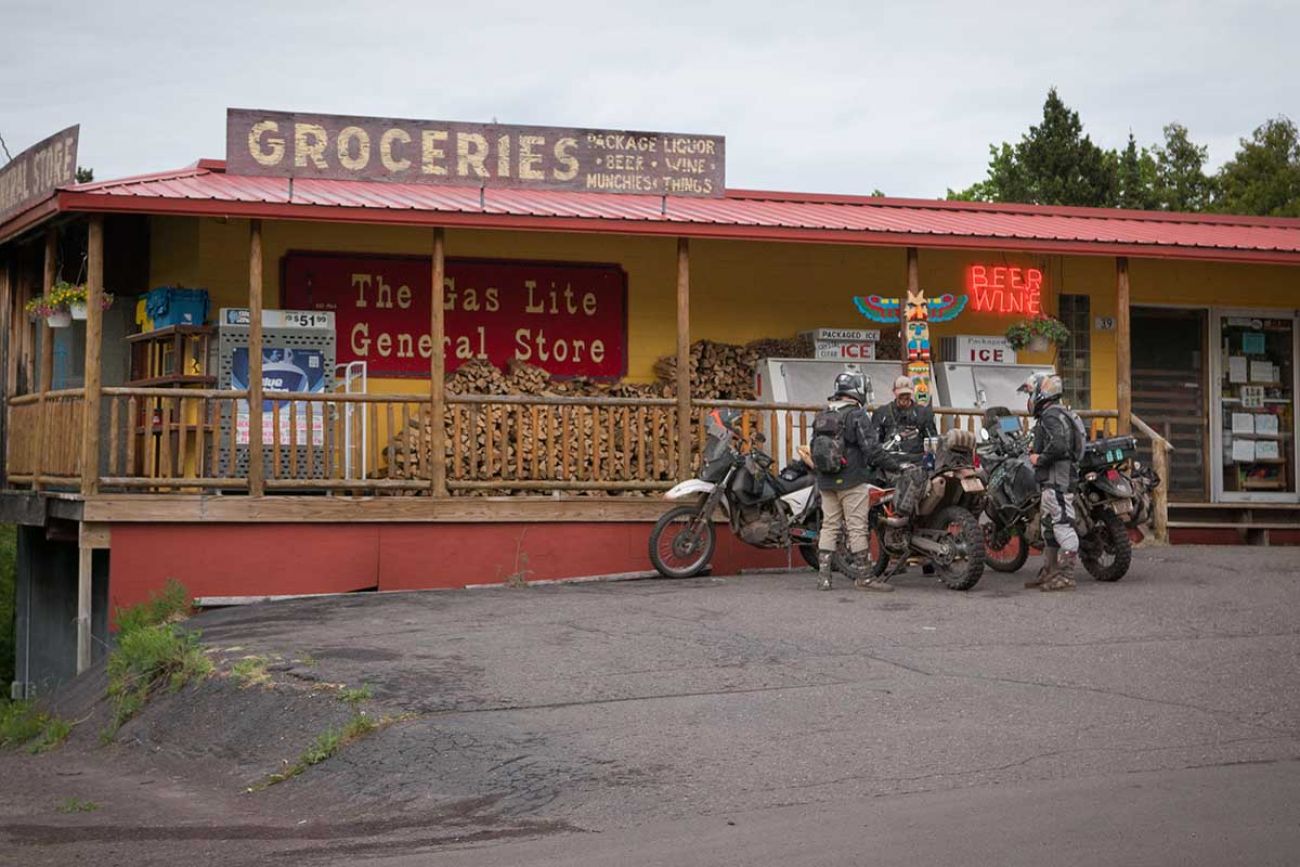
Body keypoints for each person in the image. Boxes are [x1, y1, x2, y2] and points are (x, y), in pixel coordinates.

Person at [811, 372, 903, 592]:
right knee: (856, 528)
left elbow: (814, 447)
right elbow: (871, 449)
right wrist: (895, 466)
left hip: (826, 480)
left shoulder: (822, 414)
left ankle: (824, 578)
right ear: (858, 390)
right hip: (852, 480)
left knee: (830, 526)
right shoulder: (856, 415)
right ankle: (864, 577)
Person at [1020, 372, 1086, 592]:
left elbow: (1058, 445)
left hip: (1057, 479)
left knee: (1063, 523)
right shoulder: (1057, 413)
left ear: (1041, 391)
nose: (1029, 399)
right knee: (1049, 525)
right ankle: (1050, 570)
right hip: (1052, 480)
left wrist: (1040, 458)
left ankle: (1066, 576)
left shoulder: (1050, 416)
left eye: (1030, 393)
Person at [873, 375, 938, 458]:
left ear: (912, 392)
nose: (904, 397)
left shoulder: (923, 413)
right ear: (894, 392)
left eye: (907, 393)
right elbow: (875, 443)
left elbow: (932, 441)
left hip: (916, 459)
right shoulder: (882, 413)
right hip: (889, 459)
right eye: (901, 393)